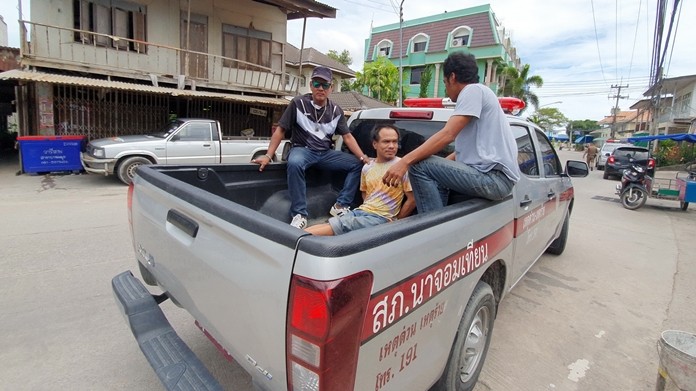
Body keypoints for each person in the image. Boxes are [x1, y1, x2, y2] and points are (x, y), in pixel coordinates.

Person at [381, 52, 521, 213]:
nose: (446, 90)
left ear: (452, 77)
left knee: (418, 165)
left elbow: (448, 134)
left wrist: (404, 162)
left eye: (444, 83)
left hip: (494, 179)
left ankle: (433, 226)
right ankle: (441, 219)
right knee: (432, 170)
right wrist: (439, 165)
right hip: (496, 179)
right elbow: (459, 151)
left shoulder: (473, 90)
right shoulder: (482, 96)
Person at [253, 66, 369, 229]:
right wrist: (268, 155)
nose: (320, 88)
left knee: (357, 164)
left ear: (331, 88)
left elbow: (347, 137)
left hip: (326, 153)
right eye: (316, 83)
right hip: (303, 150)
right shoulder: (298, 103)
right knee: (294, 163)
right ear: (310, 85)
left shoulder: (336, 110)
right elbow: (280, 130)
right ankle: (299, 214)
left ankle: (341, 206)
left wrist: (363, 158)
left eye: (325, 85)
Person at [305, 124, 415, 235]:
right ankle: (296, 238)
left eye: (395, 142)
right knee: (331, 224)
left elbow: (412, 199)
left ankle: (295, 241)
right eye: (386, 142)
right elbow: (365, 193)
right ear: (375, 144)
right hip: (361, 211)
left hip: (381, 218)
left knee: (337, 226)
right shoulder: (367, 167)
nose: (392, 146)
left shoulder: (401, 167)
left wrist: (397, 221)